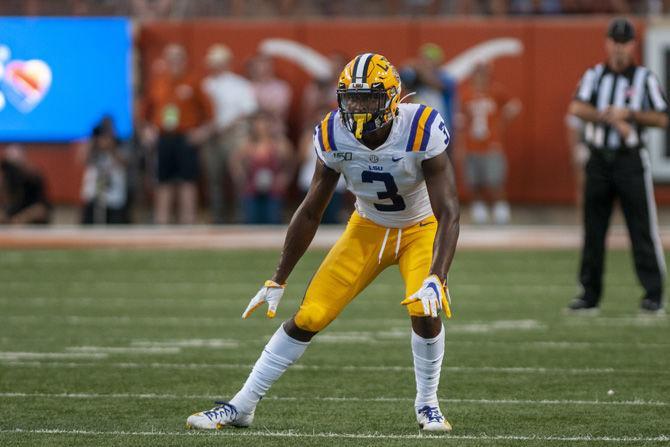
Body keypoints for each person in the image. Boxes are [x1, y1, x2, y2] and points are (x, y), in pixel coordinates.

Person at [187, 53, 459, 432]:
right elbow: (311, 209)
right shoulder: (333, 132)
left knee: (424, 308)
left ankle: (428, 404)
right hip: (367, 228)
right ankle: (241, 405)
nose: (360, 107)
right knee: (310, 316)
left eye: (369, 98)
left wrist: (437, 275)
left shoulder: (421, 125)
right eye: (353, 98)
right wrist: (278, 277)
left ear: (394, 98)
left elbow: (449, 209)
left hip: (420, 228)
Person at [567, 18, 668, 314]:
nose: (620, 47)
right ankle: (589, 293)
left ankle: (653, 293)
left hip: (630, 160)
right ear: (607, 42)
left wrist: (630, 115)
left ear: (633, 44)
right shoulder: (595, 75)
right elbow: (576, 107)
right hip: (599, 159)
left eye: (625, 41)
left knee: (642, 227)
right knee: (593, 228)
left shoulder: (645, 78)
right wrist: (609, 115)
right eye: (615, 40)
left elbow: (662, 117)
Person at [143, 43, 213, 225]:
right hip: (164, 137)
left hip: (185, 137)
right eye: (170, 58)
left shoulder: (194, 81)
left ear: (184, 60)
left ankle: (188, 223)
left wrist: (201, 133)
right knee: (163, 181)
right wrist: (147, 130)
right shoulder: (158, 82)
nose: (174, 62)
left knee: (187, 181)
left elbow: (210, 114)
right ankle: (162, 223)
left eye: (178, 58)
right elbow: (145, 112)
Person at [458, 61, 521, 224]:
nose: (480, 78)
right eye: (478, 74)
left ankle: (501, 210)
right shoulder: (466, 95)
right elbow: (461, 122)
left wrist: (501, 122)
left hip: (492, 144)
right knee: (474, 181)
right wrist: (460, 146)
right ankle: (479, 211)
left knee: (495, 180)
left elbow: (514, 106)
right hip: (472, 145)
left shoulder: (496, 91)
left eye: (483, 74)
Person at [201, 44, 258, 224]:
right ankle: (218, 217)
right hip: (212, 136)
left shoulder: (239, 84)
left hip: (234, 134)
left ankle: (242, 217)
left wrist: (225, 126)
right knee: (213, 178)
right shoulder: (206, 84)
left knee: (238, 176)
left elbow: (249, 109)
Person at [230, 112, 292, 224]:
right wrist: (240, 177)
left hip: (273, 189)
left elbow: (292, 160)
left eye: (264, 122)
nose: (261, 126)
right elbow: (234, 161)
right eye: (258, 122)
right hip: (251, 189)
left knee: (273, 220)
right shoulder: (248, 144)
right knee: (251, 221)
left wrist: (285, 177)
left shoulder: (279, 144)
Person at [79, 117, 129, 225]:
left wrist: (111, 147)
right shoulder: (93, 146)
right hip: (94, 197)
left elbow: (125, 163)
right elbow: (81, 159)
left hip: (114, 199)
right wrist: (93, 142)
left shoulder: (121, 144)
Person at [0, 144, 51, 225]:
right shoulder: (5, 180)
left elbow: (41, 210)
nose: (12, 174)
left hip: (32, 229)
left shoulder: (33, 180)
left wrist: (22, 218)